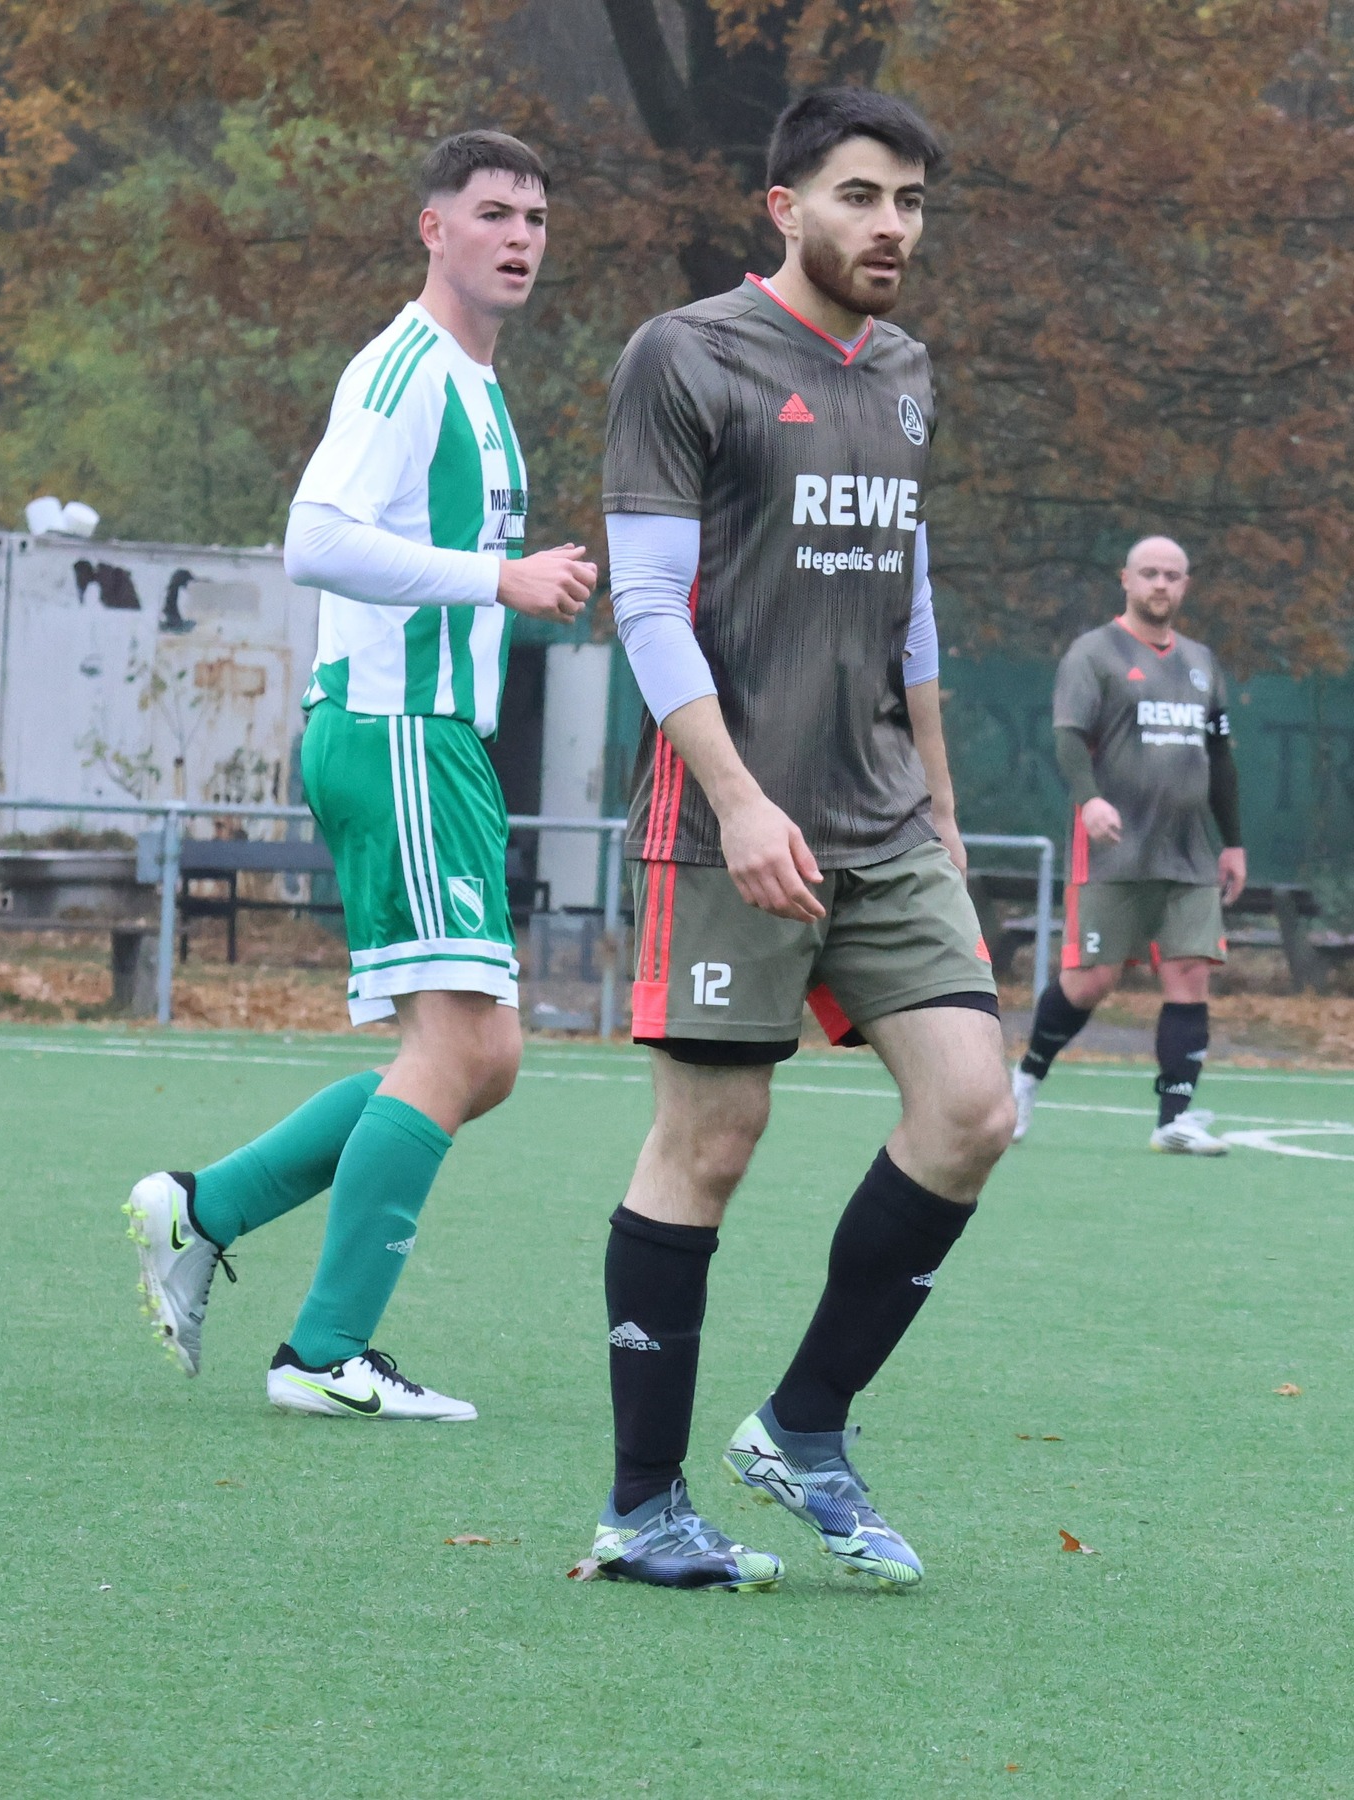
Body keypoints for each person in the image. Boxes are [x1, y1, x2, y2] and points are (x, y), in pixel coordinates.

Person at [585, 87, 1015, 1593]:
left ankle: (804, 1428)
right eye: (858, 195)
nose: (890, 226)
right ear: (784, 206)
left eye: (909, 200)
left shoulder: (905, 370)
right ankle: (643, 1505)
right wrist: (741, 797)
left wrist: (943, 800)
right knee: (713, 1140)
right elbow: (644, 606)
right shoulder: (683, 355)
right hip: (725, 820)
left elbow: (909, 596)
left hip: (883, 816)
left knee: (974, 1108)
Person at [122, 130, 596, 1420]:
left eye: (537, 217)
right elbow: (314, 539)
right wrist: (496, 578)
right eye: (492, 211)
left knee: (476, 1056)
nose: (520, 235)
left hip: (432, 742)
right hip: (393, 733)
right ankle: (324, 1353)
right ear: (431, 229)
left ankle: (203, 1208)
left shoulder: (475, 380)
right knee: (460, 1052)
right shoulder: (404, 370)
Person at [1011, 536, 1246, 1154]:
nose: (1160, 585)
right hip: (1115, 848)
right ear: (1126, 579)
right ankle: (1025, 1081)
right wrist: (1089, 799)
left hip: (1191, 852)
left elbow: (1219, 756)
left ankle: (1174, 1119)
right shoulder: (1095, 653)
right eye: (1149, 574)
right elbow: (1068, 737)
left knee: (1189, 972)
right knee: (1092, 981)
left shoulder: (1201, 661)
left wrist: (1234, 843)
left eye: (1172, 575)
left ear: (1186, 585)